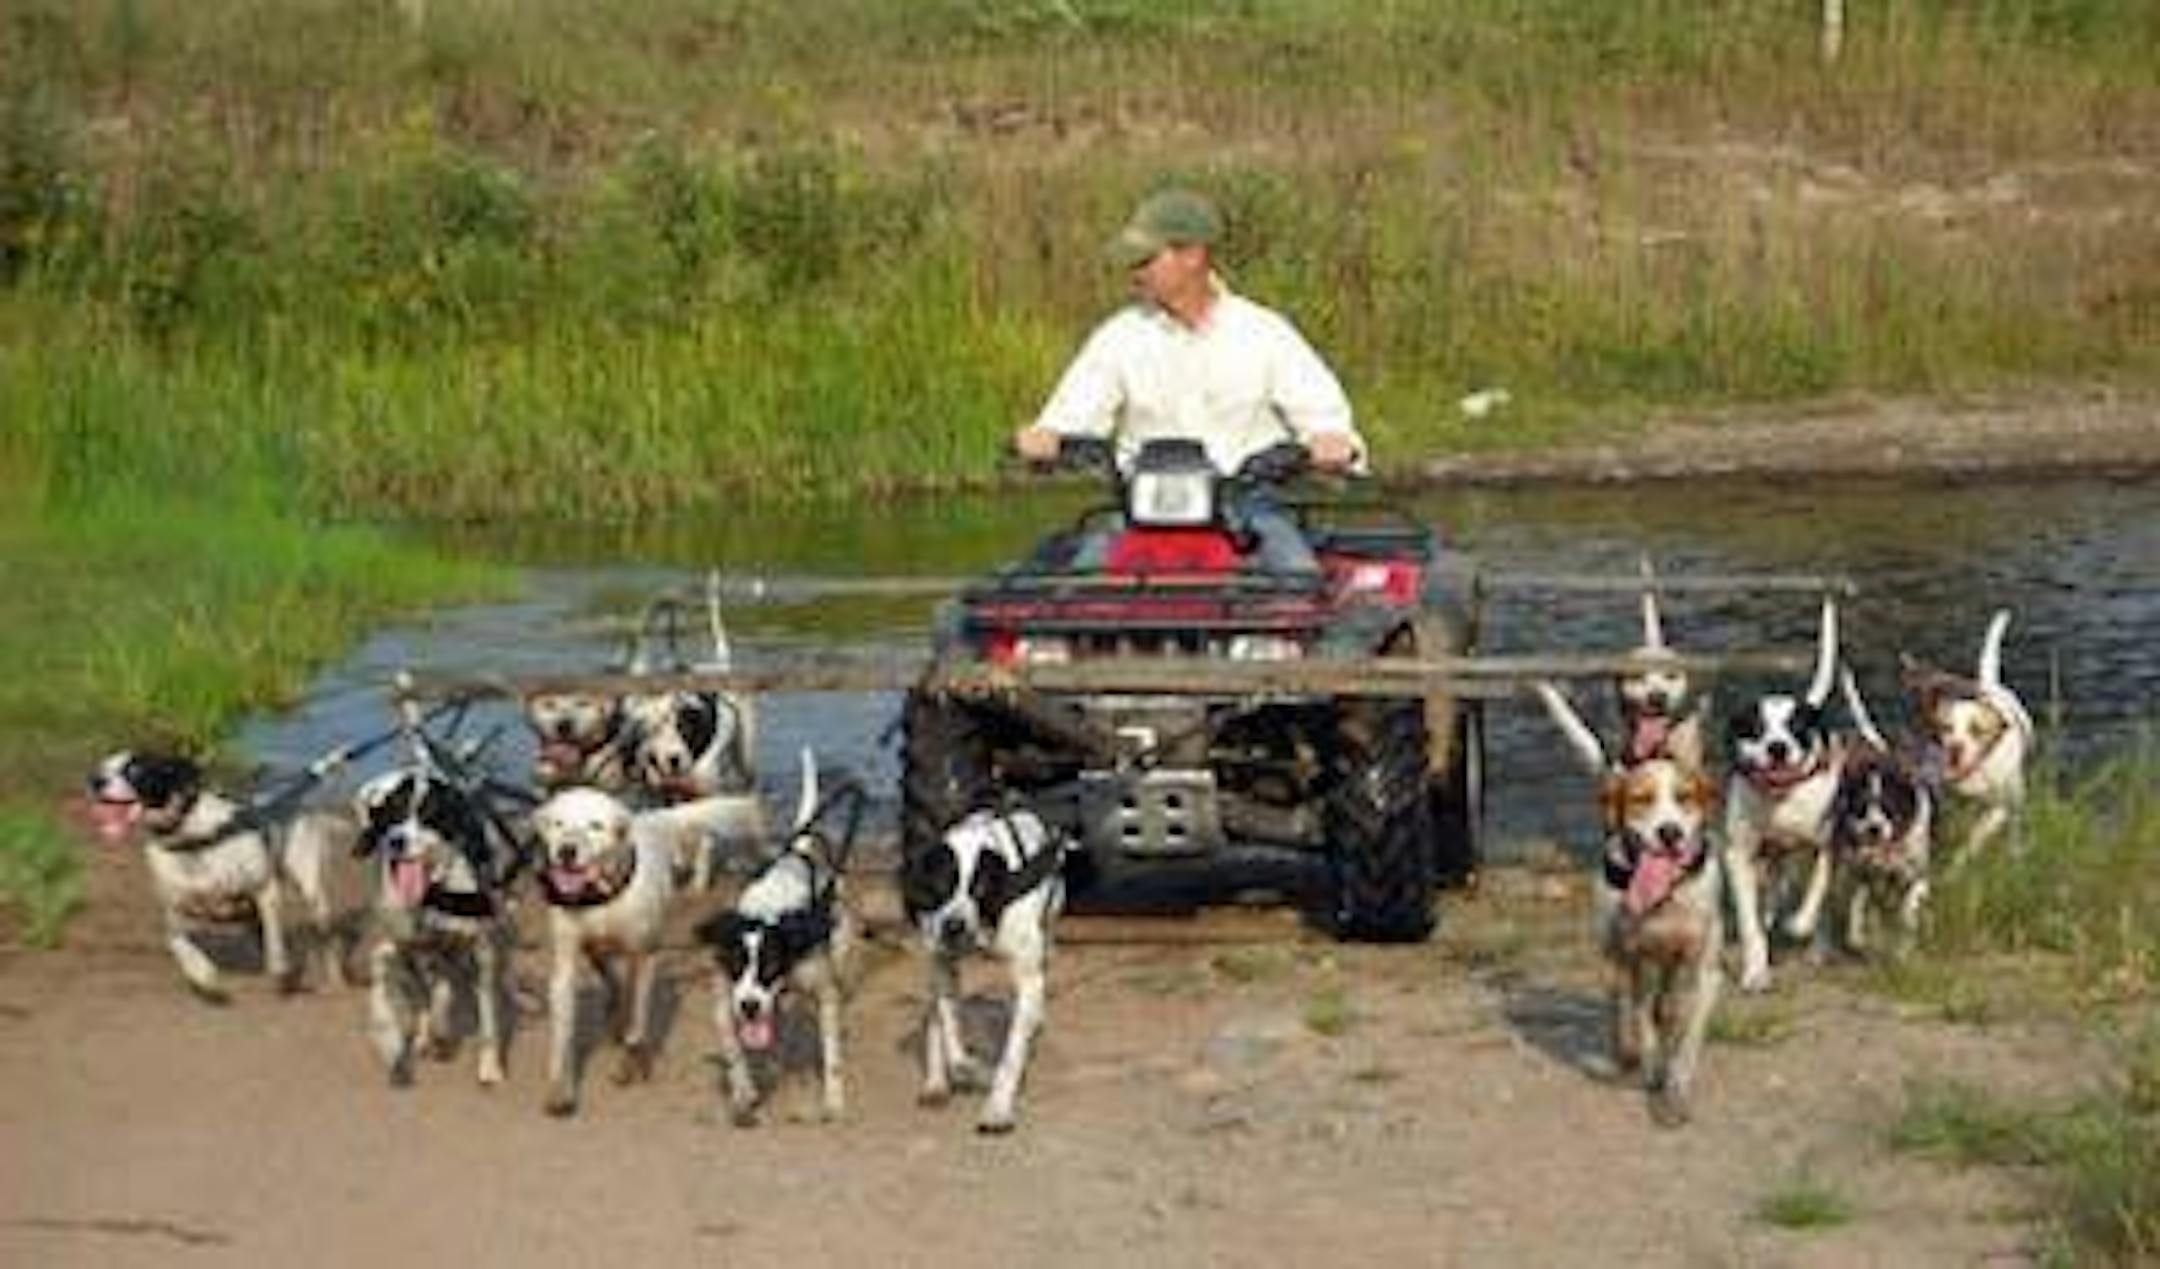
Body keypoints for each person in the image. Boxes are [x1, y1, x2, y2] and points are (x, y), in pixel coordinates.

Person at [1012, 188, 1367, 572]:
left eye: (1147, 260)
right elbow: (1072, 414)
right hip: (1142, 514)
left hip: (1246, 510)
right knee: (1077, 594)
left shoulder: (1263, 333)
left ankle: (1290, 632)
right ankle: (1064, 634)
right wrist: (1045, 437)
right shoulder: (1120, 337)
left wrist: (1330, 441)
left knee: (1298, 585)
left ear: (1193, 256)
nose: (1135, 271)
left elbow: (1321, 412)